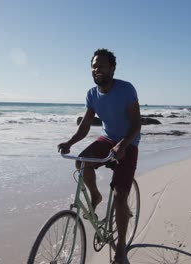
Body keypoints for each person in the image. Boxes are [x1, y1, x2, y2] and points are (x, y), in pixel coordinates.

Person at [58, 48, 141, 264]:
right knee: (81, 161)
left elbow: (136, 124)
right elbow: (85, 125)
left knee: (120, 196)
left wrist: (124, 143)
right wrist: (70, 142)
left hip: (128, 143)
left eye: (101, 66)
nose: (97, 70)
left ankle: (121, 248)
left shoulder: (126, 90)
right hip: (107, 139)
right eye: (94, 66)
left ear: (112, 68)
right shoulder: (92, 94)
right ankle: (95, 195)